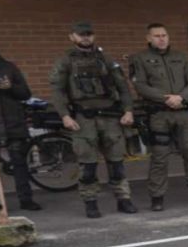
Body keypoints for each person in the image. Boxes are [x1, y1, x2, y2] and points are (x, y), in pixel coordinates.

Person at [48, 21, 138, 217]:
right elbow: (57, 91)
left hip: (110, 117)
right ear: (72, 37)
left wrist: (128, 110)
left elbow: (122, 87)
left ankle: (124, 199)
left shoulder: (105, 58)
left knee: (117, 163)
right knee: (88, 165)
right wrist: (64, 116)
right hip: (83, 119)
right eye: (81, 34)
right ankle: (91, 202)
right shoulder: (66, 61)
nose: (85, 37)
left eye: (88, 34)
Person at [129, 23, 188, 210]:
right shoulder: (140, 59)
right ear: (149, 39)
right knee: (160, 157)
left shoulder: (181, 57)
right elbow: (140, 85)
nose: (161, 38)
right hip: (159, 114)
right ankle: (157, 197)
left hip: (184, 112)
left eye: (164, 35)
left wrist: (181, 97)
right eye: (157, 36)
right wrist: (165, 98)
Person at [0, 32, 40, 211]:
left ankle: (26, 199)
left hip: (13, 123)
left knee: (19, 164)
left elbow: (25, 93)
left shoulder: (8, 67)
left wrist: (11, 87)